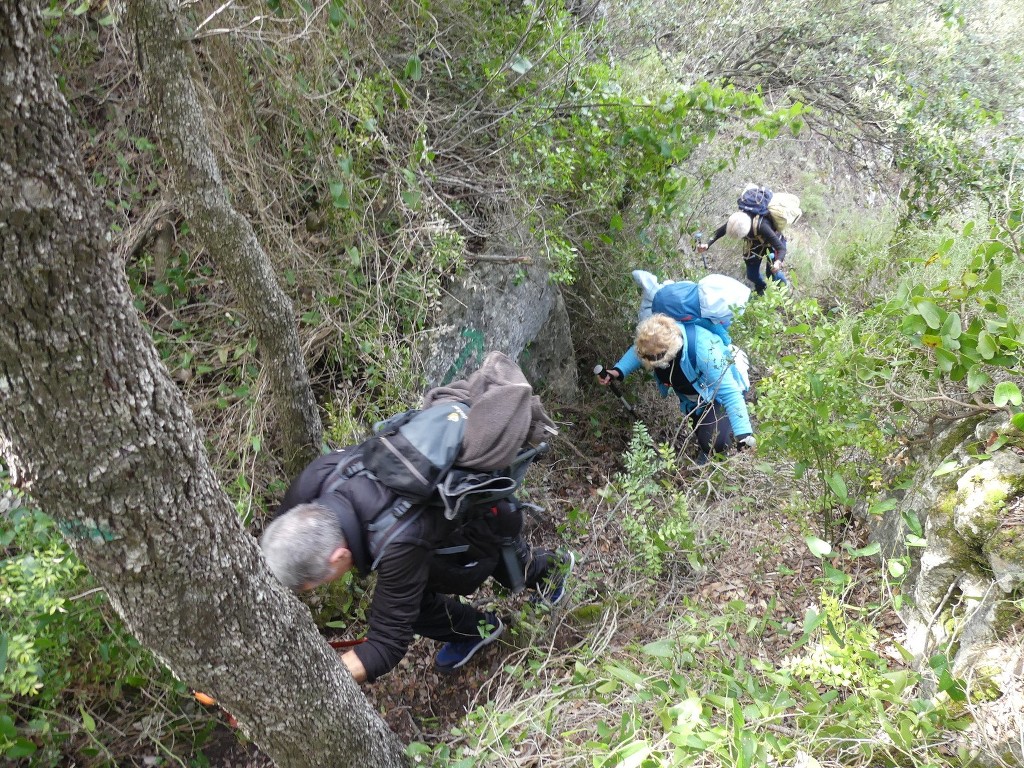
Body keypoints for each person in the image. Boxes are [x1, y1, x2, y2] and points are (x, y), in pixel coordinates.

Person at [260, 352, 574, 684]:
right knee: (422, 585)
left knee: (493, 577)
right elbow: (275, 554)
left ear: (340, 555)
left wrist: (307, 681)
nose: (319, 586)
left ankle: (533, 583)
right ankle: (491, 614)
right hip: (447, 510)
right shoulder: (319, 477)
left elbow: (386, 643)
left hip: (481, 525)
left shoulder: (398, 542)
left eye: (317, 582)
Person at [598, 313, 756, 463]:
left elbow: (730, 393)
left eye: (653, 361)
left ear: (669, 351)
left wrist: (743, 434)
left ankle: (712, 452)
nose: (649, 364)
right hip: (695, 399)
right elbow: (638, 352)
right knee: (701, 428)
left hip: (717, 394)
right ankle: (705, 447)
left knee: (715, 440)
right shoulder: (654, 342)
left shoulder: (703, 349)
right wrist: (617, 371)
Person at [698, 210, 789, 295]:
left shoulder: (763, 226)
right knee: (752, 275)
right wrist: (707, 244)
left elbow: (781, 248)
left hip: (772, 245)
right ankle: (761, 288)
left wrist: (778, 262)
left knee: (772, 274)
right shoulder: (736, 221)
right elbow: (720, 232)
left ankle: (783, 291)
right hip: (754, 244)